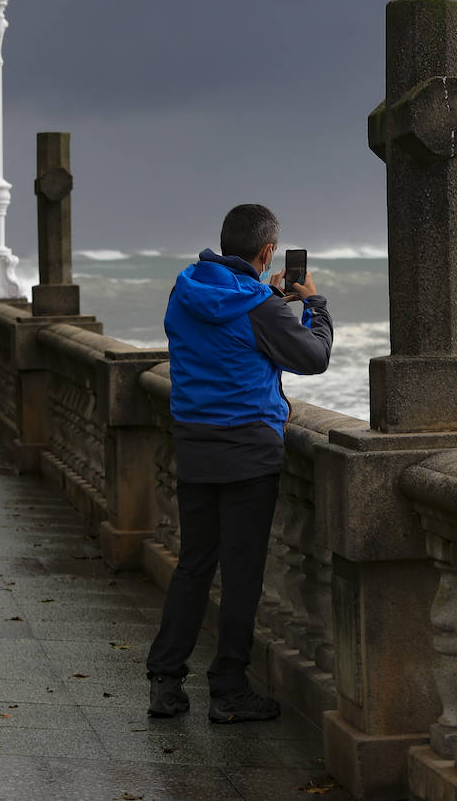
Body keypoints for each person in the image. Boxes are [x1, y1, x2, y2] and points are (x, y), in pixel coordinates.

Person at [145, 204, 333, 723]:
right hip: (249, 450)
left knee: (194, 563)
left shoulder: (185, 289)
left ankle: (164, 683)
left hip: (195, 444)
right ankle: (228, 691)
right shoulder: (261, 308)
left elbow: (221, 330)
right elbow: (313, 357)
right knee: (242, 572)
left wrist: (268, 297)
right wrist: (312, 301)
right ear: (268, 251)